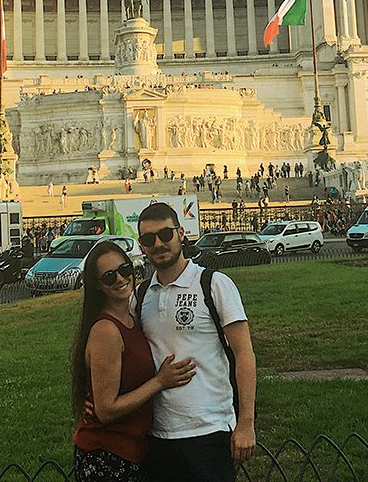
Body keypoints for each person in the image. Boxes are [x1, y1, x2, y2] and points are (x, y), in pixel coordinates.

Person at [135, 203, 257, 481]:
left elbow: (244, 354)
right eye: (148, 239)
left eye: (165, 234)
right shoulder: (142, 295)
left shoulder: (214, 284)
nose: (158, 244)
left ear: (181, 233)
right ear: (141, 246)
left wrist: (246, 423)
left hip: (211, 431)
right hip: (158, 434)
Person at [72, 241, 196, 481]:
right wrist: (160, 382)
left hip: (132, 451)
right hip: (106, 454)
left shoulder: (133, 316)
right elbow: (106, 410)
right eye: (109, 277)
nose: (120, 279)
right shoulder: (106, 330)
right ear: (97, 285)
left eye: (125, 269)